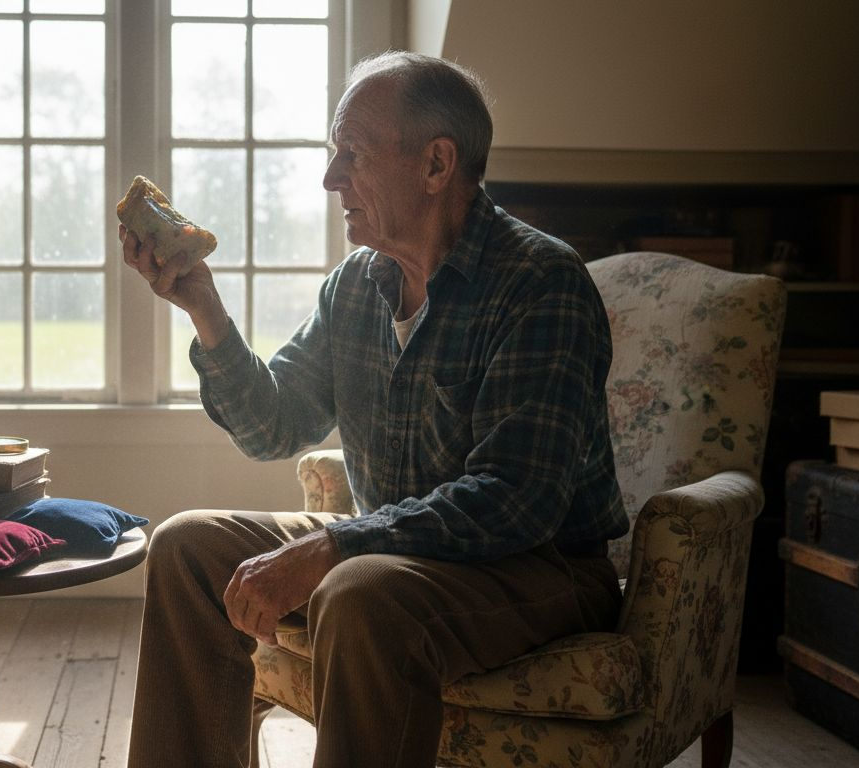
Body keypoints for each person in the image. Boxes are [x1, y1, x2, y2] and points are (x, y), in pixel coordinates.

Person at [120, 50, 630, 768]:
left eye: (350, 153)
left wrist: (337, 546)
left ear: (435, 164)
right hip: (390, 547)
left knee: (360, 592)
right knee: (185, 548)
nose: (331, 177)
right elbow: (275, 426)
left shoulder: (541, 283)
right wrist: (202, 305)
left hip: (539, 569)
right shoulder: (356, 286)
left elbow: (517, 501)